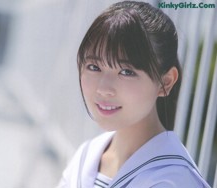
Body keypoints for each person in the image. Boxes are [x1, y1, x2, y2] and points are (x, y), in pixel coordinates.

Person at [57, 1, 211, 188]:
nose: (104, 88)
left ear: (166, 82)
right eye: (94, 67)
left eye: (126, 72)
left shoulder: (174, 180)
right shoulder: (86, 156)